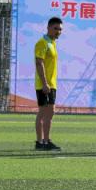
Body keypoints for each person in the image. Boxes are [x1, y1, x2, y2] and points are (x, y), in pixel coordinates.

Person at [34, 17, 63, 150]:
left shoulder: (52, 43)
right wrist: (45, 83)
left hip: (51, 84)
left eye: (60, 29)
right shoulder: (42, 43)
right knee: (47, 112)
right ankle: (45, 141)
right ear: (48, 28)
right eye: (55, 28)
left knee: (45, 112)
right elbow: (39, 63)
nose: (58, 31)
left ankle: (41, 142)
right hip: (44, 85)